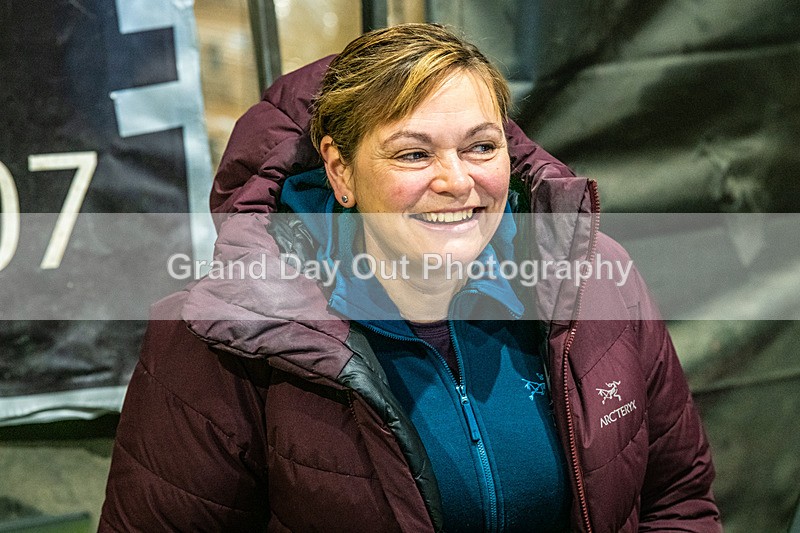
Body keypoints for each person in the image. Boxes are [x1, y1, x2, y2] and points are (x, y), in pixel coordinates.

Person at [100, 23, 721, 532]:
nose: (456, 181)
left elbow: (677, 498)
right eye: (413, 154)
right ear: (340, 172)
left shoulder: (596, 281)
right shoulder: (227, 336)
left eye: (480, 147)